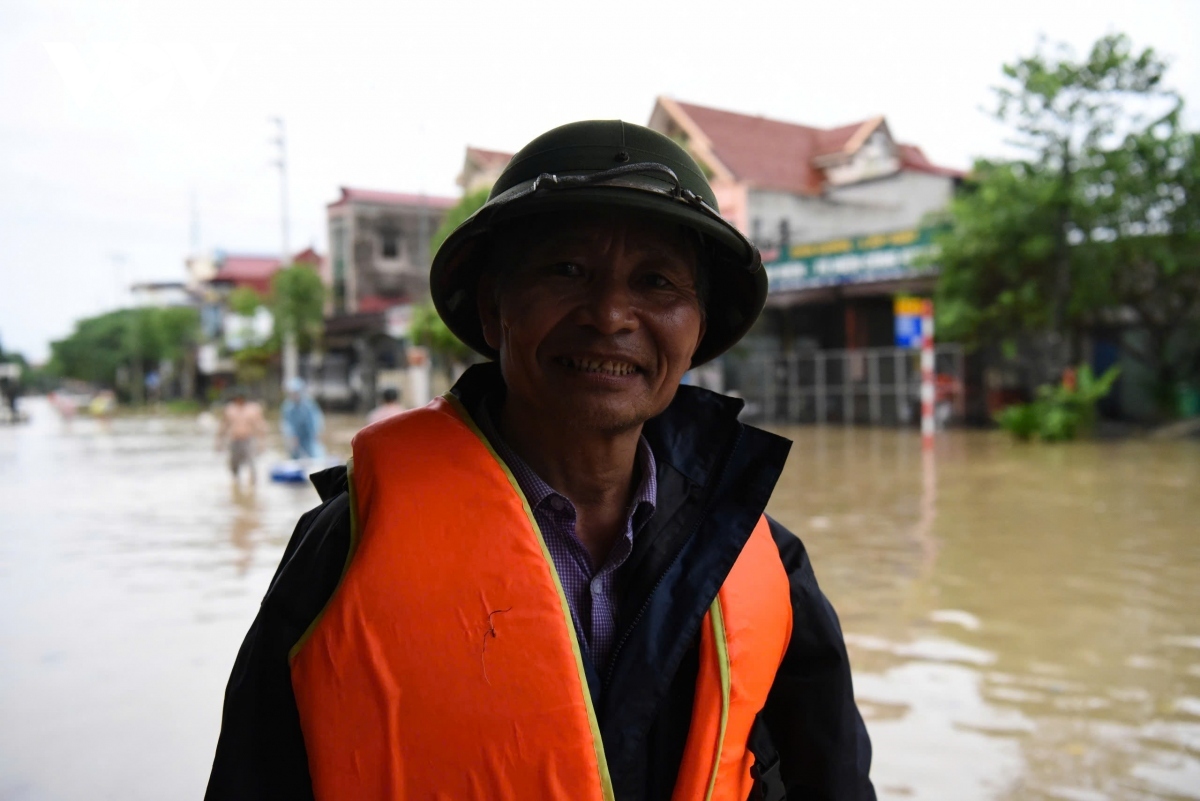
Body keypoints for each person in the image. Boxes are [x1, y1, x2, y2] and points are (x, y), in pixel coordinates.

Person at [206, 121, 874, 800]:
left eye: (656, 281)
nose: (611, 313)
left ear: (697, 330)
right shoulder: (343, 553)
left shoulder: (764, 563)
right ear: (496, 311)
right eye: (567, 270)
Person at [216, 390, 267, 484]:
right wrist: (219, 441)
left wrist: (262, 442)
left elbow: (260, 425)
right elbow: (224, 425)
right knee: (234, 464)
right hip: (234, 440)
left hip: (248, 440)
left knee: (251, 463)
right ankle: (236, 483)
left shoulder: (253, 409)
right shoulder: (230, 409)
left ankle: (253, 485)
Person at [280, 377, 325, 459]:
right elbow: (286, 424)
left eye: (295, 393)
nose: (294, 395)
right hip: (296, 437)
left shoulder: (309, 404)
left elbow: (316, 418)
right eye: (291, 393)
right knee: (294, 454)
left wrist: (317, 431)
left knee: (316, 453)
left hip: (309, 435)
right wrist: (290, 436)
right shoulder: (287, 407)